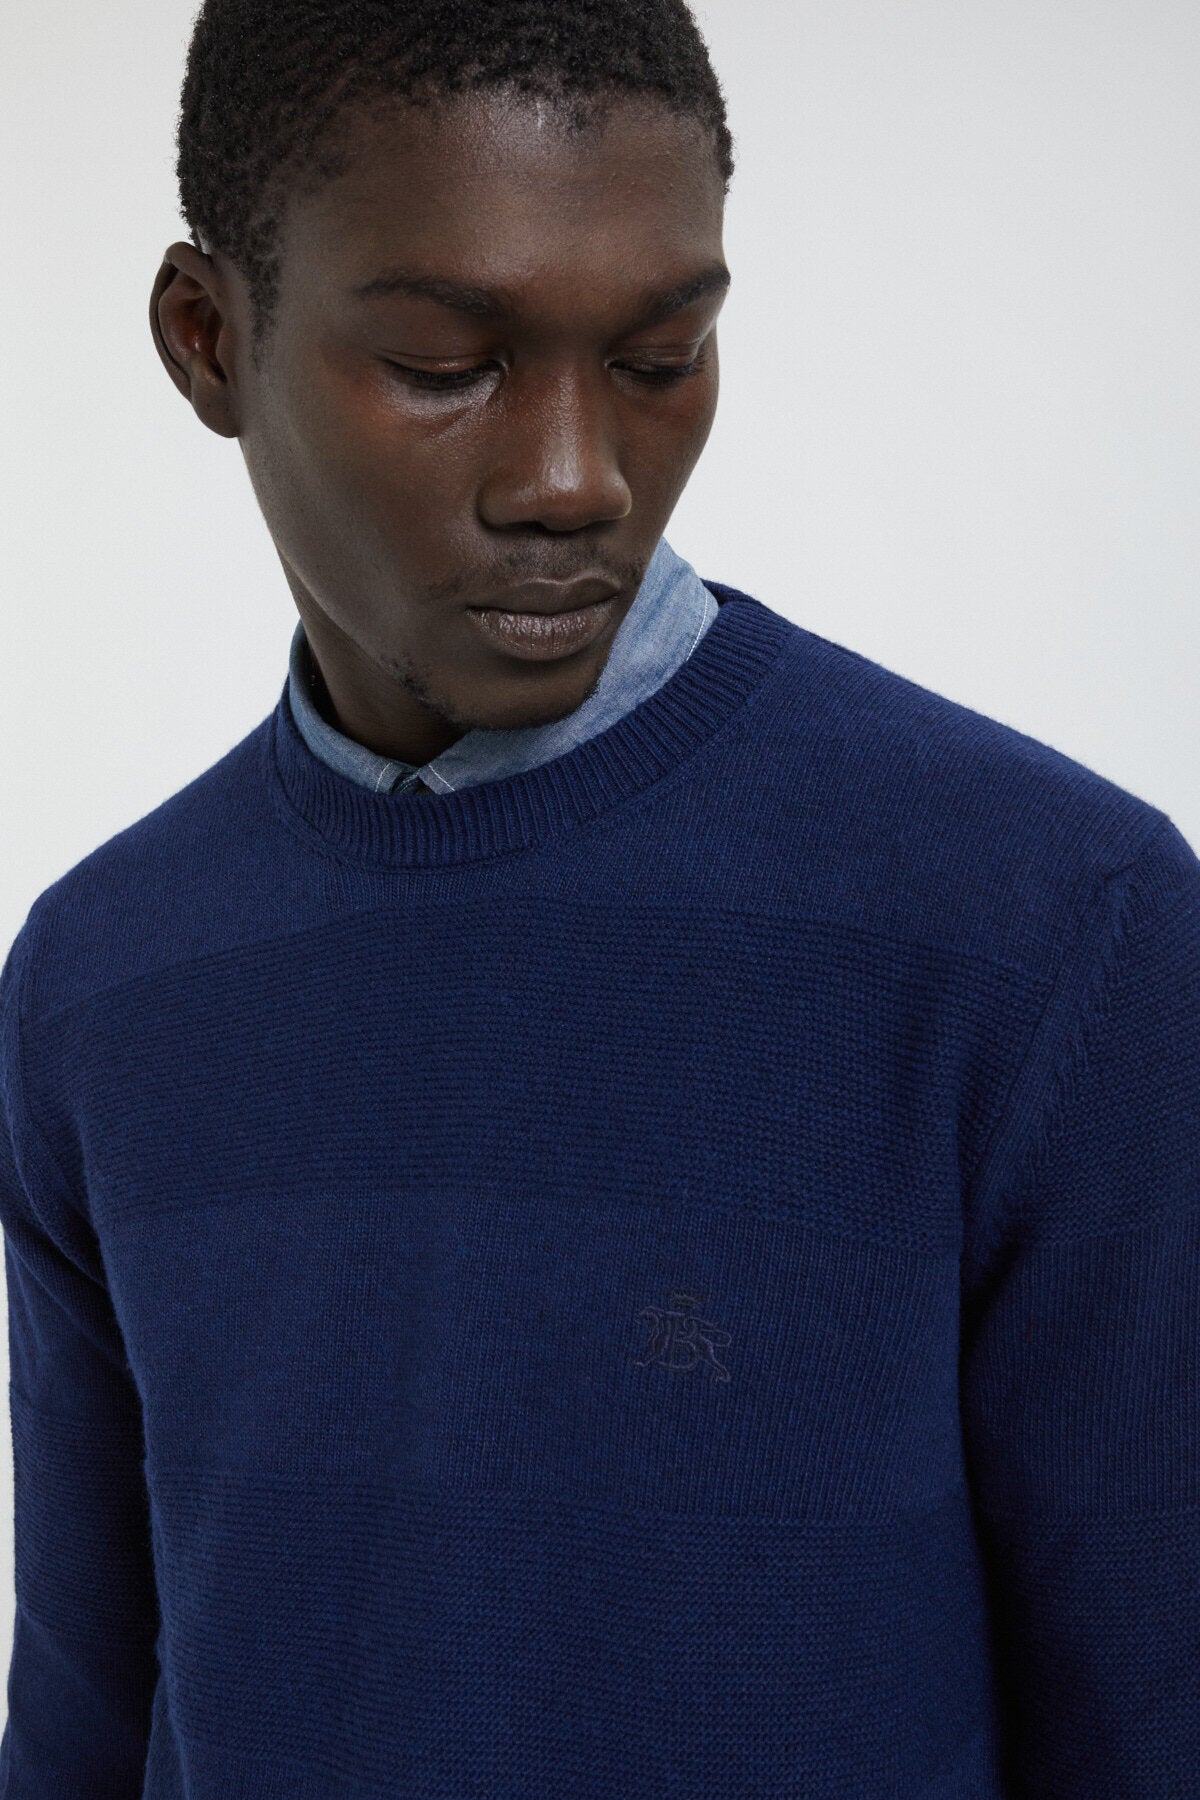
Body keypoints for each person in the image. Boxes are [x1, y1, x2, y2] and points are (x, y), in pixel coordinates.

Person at [0, 1, 1196, 1794]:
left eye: (658, 357)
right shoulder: (96, 983)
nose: (576, 478)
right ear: (207, 339)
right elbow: (86, 1721)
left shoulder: (1052, 928)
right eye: (446, 363)